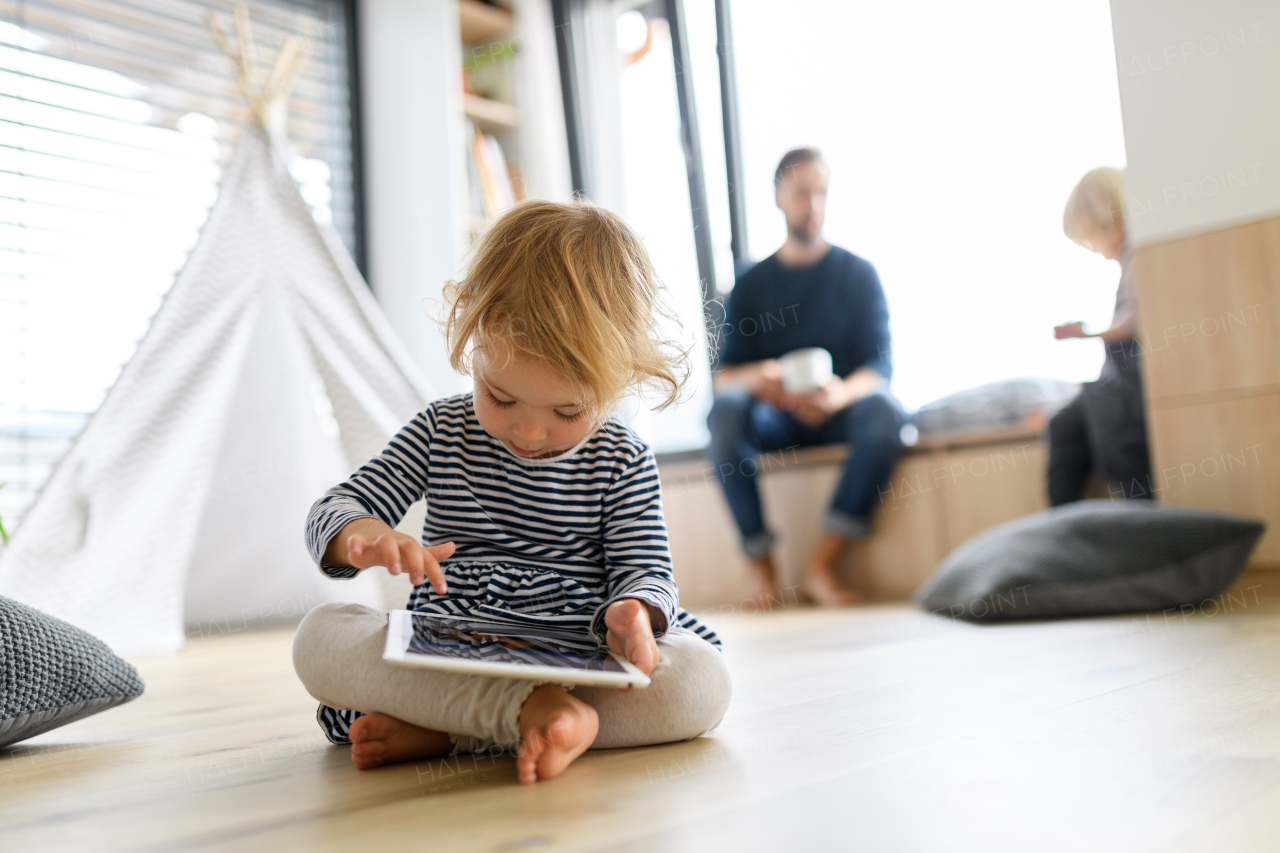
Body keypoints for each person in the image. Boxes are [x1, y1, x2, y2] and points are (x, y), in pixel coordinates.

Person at [291, 200, 731, 785]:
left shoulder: (622, 456)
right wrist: (362, 536)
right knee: (321, 638)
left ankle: (458, 728)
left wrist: (636, 613)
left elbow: (646, 570)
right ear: (472, 340)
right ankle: (522, 718)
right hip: (455, 647)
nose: (528, 430)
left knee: (702, 680)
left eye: (567, 409)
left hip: (578, 657)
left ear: (617, 378)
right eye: (500, 397)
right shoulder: (441, 430)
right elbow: (334, 508)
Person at [706, 148, 903, 608]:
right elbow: (724, 378)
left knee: (885, 413)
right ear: (778, 197)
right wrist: (761, 378)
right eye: (801, 193)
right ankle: (761, 566)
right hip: (776, 419)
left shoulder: (858, 275)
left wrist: (838, 397)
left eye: (820, 194)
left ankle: (822, 566)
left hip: (839, 412)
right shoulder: (751, 285)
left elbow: (880, 370)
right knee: (726, 414)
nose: (811, 205)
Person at [1048, 166, 1152, 505]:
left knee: (1113, 435)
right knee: (1063, 424)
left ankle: (1143, 512)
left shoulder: (1142, 252)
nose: (1094, 249)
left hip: (1136, 385)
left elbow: (1138, 321)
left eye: (1091, 238)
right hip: (1120, 380)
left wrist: (1086, 333)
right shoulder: (1129, 261)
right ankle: (1065, 527)